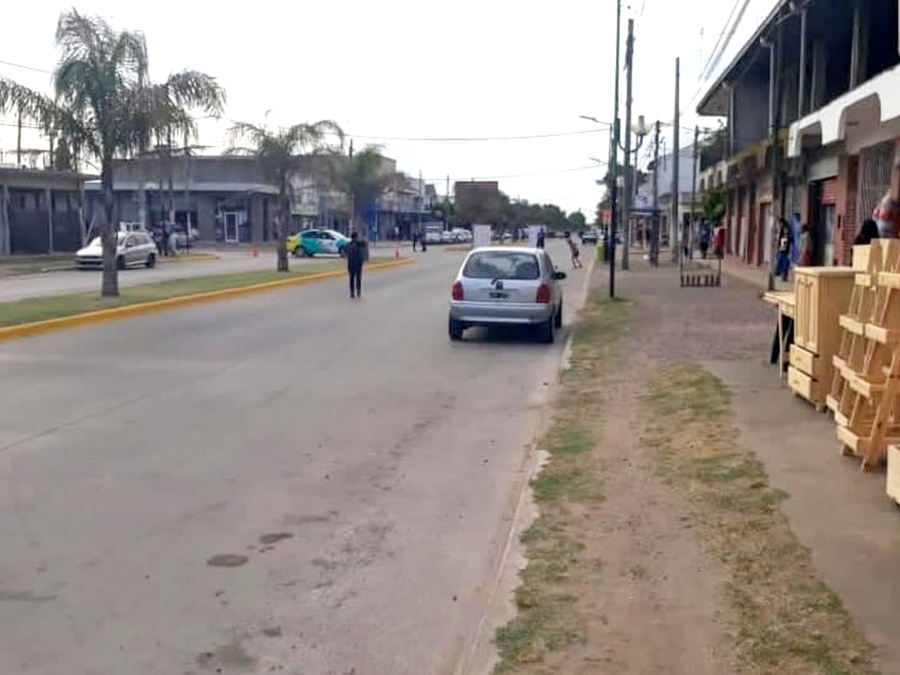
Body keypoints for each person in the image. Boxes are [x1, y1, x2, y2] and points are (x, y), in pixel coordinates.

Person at [345, 231, 367, 298]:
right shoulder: (359, 244)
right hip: (358, 264)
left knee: (351, 279)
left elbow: (346, 252)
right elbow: (365, 243)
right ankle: (358, 291)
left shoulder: (348, 245)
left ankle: (352, 292)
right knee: (358, 278)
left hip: (351, 264)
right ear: (357, 237)